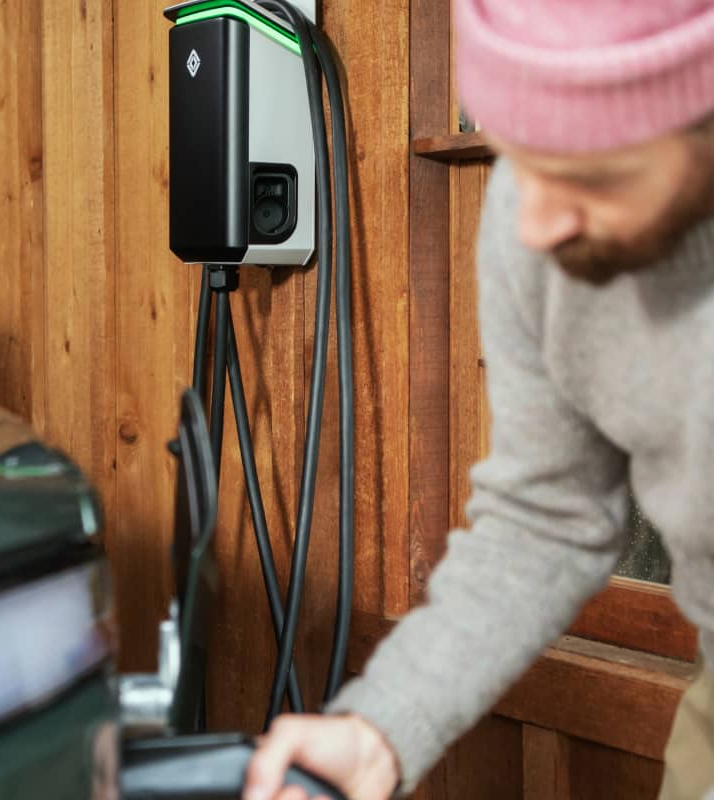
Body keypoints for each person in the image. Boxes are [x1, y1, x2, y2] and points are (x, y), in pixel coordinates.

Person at [244, 2, 714, 799]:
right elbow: (548, 518)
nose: (532, 228)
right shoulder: (544, 225)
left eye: (584, 176)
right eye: (517, 158)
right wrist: (382, 727)